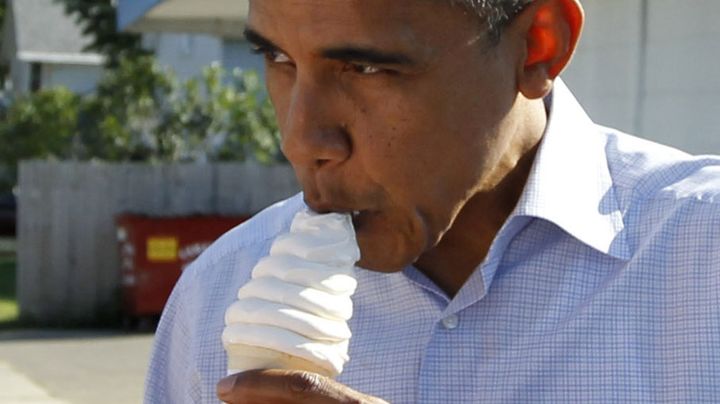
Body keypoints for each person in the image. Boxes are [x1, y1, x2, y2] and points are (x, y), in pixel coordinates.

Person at [145, 0, 720, 402]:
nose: (301, 140)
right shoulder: (217, 294)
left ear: (539, 46)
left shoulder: (701, 264)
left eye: (367, 68)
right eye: (278, 60)